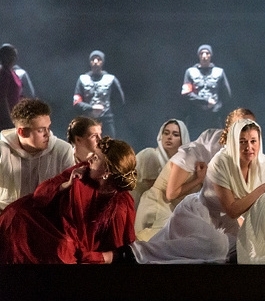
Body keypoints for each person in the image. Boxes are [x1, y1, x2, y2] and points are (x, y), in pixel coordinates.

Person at [129, 118, 265, 263]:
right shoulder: (220, 162)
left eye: (253, 141)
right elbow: (232, 210)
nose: (249, 147)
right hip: (197, 214)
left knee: (248, 247)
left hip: (226, 223)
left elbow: (254, 207)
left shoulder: (262, 162)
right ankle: (138, 252)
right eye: (242, 142)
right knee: (218, 246)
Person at [0, 137, 137, 263]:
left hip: (62, 238)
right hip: (32, 218)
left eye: (96, 158)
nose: (90, 159)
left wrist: (96, 257)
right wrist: (67, 184)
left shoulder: (120, 205)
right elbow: (39, 195)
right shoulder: (82, 172)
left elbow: (117, 248)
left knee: (63, 250)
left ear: (106, 172)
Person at [133, 108, 254, 241]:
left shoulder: (225, 163)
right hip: (158, 208)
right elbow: (170, 193)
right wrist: (199, 179)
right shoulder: (190, 155)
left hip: (177, 211)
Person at [0, 98, 74, 210]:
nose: (47, 134)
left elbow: (69, 194)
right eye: (40, 130)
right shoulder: (2, 150)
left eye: (48, 128)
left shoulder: (63, 150)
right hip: (6, 215)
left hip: (48, 216)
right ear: (22, 132)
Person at [132, 119, 189, 205]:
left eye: (175, 134)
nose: (169, 137)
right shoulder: (150, 155)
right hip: (138, 206)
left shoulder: (180, 164)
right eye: (166, 133)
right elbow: (158, 193)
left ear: (183, 139)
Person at [73, 50, 125, 138]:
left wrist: (109, 112)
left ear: (102, 62)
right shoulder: (83, 79)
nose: (95, 61)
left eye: (98, 59)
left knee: (109, 144)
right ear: (90, 62)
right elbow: (76, 102)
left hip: (106, 121)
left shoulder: (110, 79)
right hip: (88, 121)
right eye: (93, 59)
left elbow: (120, 100)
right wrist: (91, 108)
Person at [181, 44, 231, 133]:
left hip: (214, 117)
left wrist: (217, 107)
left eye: (207, 53)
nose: (204, 56)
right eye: (202, 53)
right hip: (195, 117)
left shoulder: (219, 72)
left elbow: (226, 94)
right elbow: (186, 93)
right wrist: (205, 101)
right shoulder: (190, 72)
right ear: (198, 55)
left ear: (210, 55)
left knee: (215, 140)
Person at [0, 44, 22, 130]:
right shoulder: (4, 73)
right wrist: (9, 120)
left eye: (14, 55)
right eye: (10, 55)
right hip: (6, 118)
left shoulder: (12, 72)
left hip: (15, 115)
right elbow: (2, 98)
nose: (13, 58)